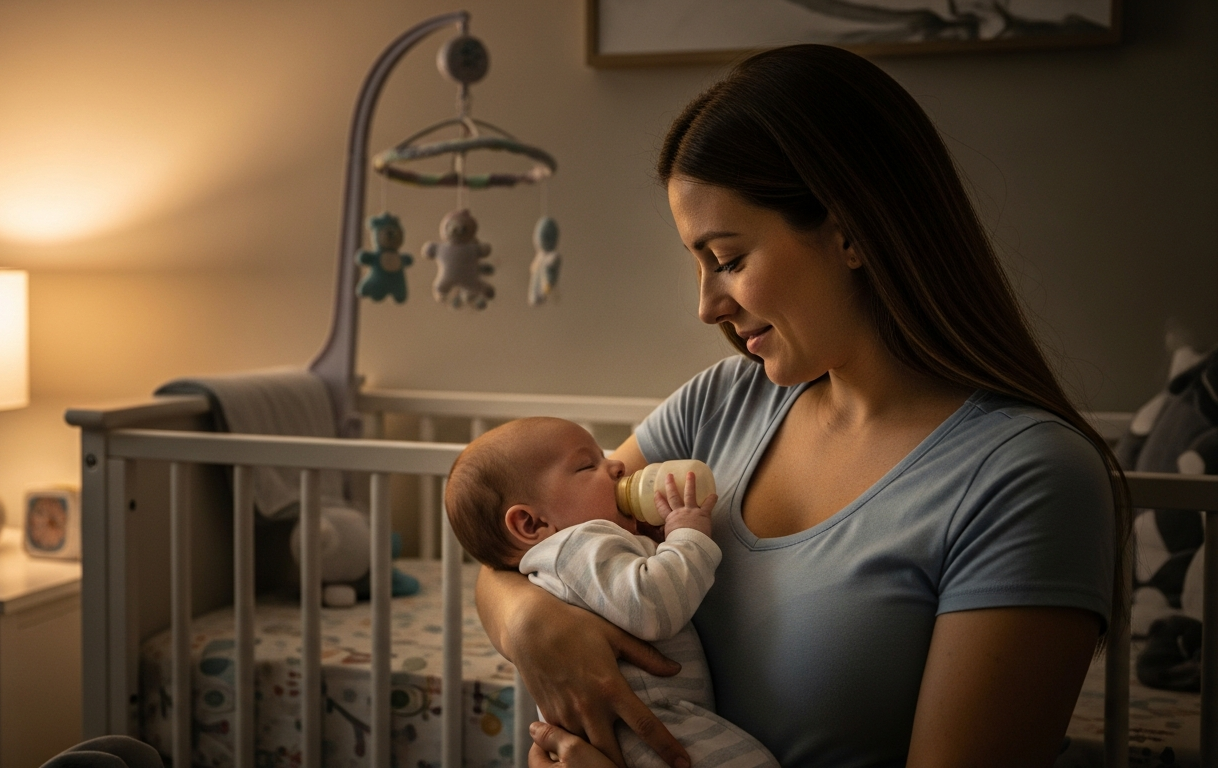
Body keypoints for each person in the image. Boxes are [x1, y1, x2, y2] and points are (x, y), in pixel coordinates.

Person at [475, 44, 1127, 768]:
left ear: (850, 231)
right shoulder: (716, 408)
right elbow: (517, 543)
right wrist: (532, 624)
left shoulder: (1025, 478)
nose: (705, 305)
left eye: (727, 259)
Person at [445, 417, 779, 768]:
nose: (618, 464)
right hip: (648, 728)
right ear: (532, 524)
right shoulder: (578, 543)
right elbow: (653, 606)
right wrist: (687, 535)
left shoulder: (564, 558)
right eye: (588, 464)